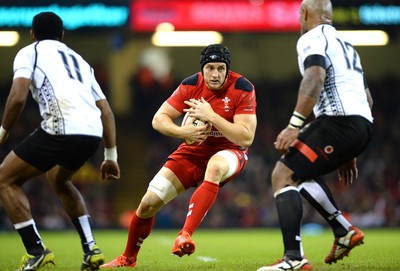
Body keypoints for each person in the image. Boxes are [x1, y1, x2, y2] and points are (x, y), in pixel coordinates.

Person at [100, 43, 257, 268]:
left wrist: (211, 116)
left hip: (230, 150)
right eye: (210, 68)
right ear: (202, 69)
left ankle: (185, 234)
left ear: (227, 70)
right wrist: (182, 132)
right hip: (191, 151)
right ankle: (128, 258)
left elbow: (246, 138)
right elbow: (159, 119)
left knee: (214, 167)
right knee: (147, 205)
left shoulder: (242, 87)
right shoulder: (191, 85)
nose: (215, 74)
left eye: (221, 68)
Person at [257, 0, 373, 270]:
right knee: (300, 172)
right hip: (362, 125)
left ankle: (293, 258)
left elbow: (315, 77)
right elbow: (366, 98)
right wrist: (350, 149)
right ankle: (343, 231)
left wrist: (294, 124)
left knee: (282, 174)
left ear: (304, 13)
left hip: (339, 122)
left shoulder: (312, 37)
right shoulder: (346, 44)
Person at [0, 12, 120, 271]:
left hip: (61, 129)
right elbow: (107, 112)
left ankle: (36, 251)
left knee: (4, 179)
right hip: (92, 133)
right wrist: (110, 157)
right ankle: (91, 249)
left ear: (32, 34)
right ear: (62, 35)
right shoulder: (81, 61)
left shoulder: (29, 51)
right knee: (58, 180)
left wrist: (3, 131)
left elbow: (18, 97)